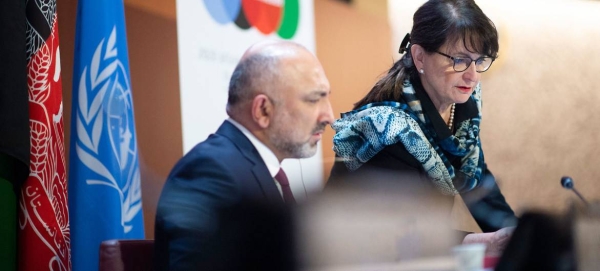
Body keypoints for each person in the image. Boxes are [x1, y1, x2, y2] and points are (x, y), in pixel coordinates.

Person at [328, 0, 518, 256]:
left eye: (480, 60)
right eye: (460, 60)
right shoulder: (386, 129)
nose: (472, 75)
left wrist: (517, 235)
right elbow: (399, 232)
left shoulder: (463, 108)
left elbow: (477, 180)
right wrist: (480, 242)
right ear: (419, 57)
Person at [154, 40, 334, 270]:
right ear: (263, 110)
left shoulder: (253, 169)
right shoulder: (209, 172)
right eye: (313, 99)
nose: (329, 116)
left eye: (327, 97)